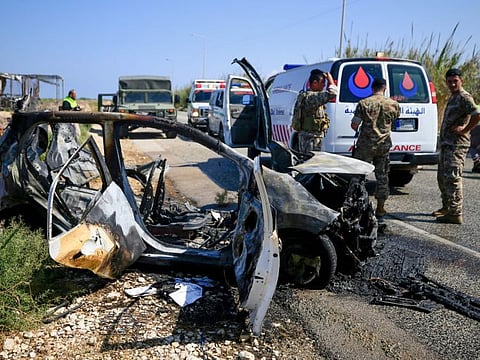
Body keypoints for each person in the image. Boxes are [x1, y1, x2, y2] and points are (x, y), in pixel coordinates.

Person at [433, 68, 480, 224]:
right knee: (443, 178)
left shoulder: (465, 97)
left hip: (457, 145)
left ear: (461, 81)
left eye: (455, 81)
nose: (452, 84)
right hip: (447, 144)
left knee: (453, 178)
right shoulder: (454, 97)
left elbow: (477, 114)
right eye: (450, 81)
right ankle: (447, 207)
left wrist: (465, 129)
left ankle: (455, 213)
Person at [350, 77, 400, 218]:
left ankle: (356, 205)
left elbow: (355, 124)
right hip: (383, 145)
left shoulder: (363, 103)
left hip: (365, 146)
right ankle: (380, 207)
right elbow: (394, 120)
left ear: (372, 88)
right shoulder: (393, 104)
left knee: (358, 176)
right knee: (382, 176)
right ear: (384, 88)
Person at [292, 69, 337, 153]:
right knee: (311, 163)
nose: (324, 85)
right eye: (322, 82)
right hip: (311, 138)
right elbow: (333, 93)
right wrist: (330, 80)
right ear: (315, 83)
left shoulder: (306, 95)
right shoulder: (311, 97)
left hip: (309, 137)